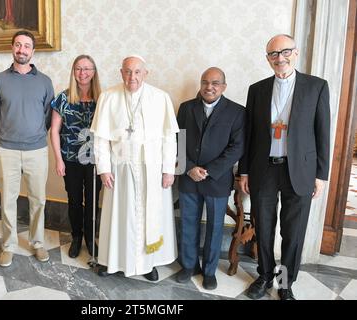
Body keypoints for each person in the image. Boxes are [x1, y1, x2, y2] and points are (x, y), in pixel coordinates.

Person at [238, 34, 330, 300]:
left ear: (296, 53)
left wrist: (320, 175)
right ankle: (265, 274)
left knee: (293, 230)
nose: (280, 58)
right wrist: (244, 170)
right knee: (264, 226)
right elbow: (250, 133)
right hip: (263, 169)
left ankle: (285, 282)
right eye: (273, 54)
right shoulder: (257, 89)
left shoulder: (316, 87)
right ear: (268, 59)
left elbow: (323, 133)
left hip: (299, 170)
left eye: (285, 52)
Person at [90, 55, 179, 281]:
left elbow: (170, 138)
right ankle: (113, 262)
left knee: (148, 216)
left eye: (137, 72)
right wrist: (103, 168)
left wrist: (169, 169)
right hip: (119, 169)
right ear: (121, 73)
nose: (132, 77)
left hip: (151, 170)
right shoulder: (108, 97)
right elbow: (100, 138)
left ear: (145, 73)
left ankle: (147, 264)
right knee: (119, 217)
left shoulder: (160, 98)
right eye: (128, 71)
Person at [0, 30, 55, 268]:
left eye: (27, 46)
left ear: (33, 51)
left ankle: (37, 243)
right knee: (8, 200)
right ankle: (8, 246)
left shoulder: (45, 82)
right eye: (18, 45)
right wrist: (9, 136)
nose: (22, 50)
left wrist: (33, 135)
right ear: (12, 48)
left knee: (38, 200)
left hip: (37, 151)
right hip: (7, 150)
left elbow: (48, 117)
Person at [176, 67, 245, 289]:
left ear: (223, 86)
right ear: (200, 84)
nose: (209, 86)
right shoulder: (186, 108)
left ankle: (209, 271)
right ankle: (188, 265)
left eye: (215, 83)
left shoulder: (237, 112)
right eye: (205, 82)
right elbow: (177, 141)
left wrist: (209, 170)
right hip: (188, 177)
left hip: (217, 180)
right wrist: (189, 168)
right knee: (187, 224)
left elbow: (237, 148)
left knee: (215, 227)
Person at [50, 55, 102, 259]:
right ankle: (76, 238)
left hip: (95, 161)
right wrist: (58, 160)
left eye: (88, 69)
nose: (83, 73)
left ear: (94, 72)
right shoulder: (63, 98)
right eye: (79, 69)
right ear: (73, 72)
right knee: (73, 200)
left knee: (92, 201)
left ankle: (91, 239)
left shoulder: (103, 99)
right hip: (70, 159)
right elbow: (54, 130)